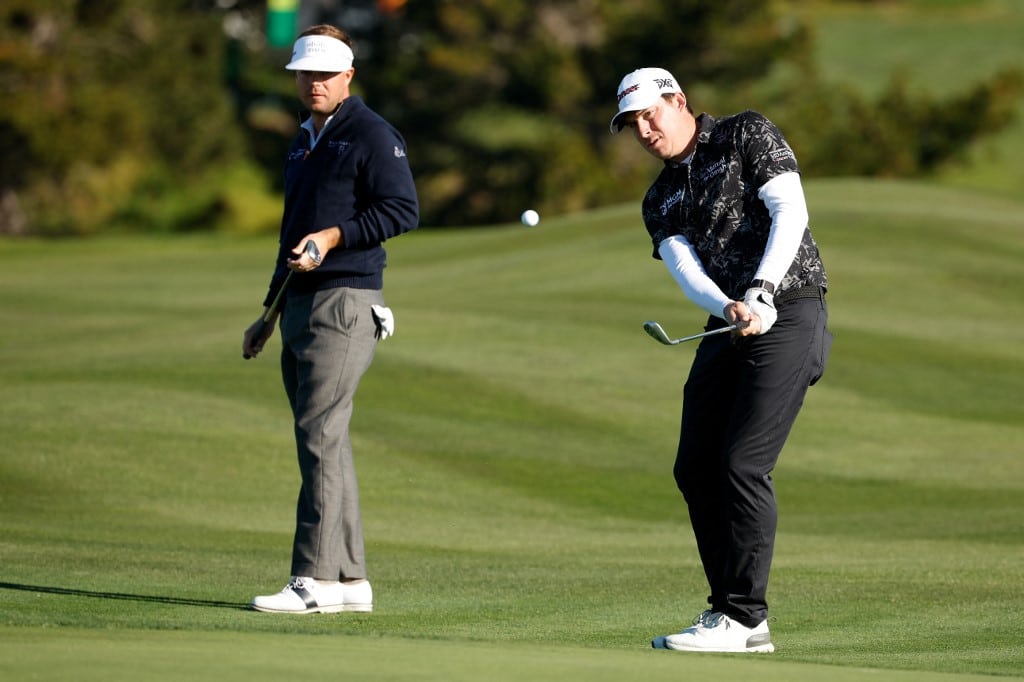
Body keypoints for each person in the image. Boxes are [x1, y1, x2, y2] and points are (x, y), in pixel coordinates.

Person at [610, 68, 831, 652]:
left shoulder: (745, 134)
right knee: (695, 466)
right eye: (632, 124)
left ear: (678, 100)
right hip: (730, 320)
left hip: (792, 305)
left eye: (650, 114)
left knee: (741, 463)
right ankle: (726, 613)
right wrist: (731, 304)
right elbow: (687, 270)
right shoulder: (659, 197)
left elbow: (790, 209)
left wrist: (761, 288)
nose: (644, 129)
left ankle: (745, 617)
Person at [242, 24, 419, 614]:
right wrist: (267, 314)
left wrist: (334, 235)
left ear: (348, 76)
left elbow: (401, 210)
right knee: (327, 440)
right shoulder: (302, 142)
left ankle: (311, 580)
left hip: (346, 301)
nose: (313, 82)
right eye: (304, 73)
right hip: (297, 303)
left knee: (318, 434)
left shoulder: (371, 134)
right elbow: (293, 233)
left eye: (324, 73)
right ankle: (348, 579)